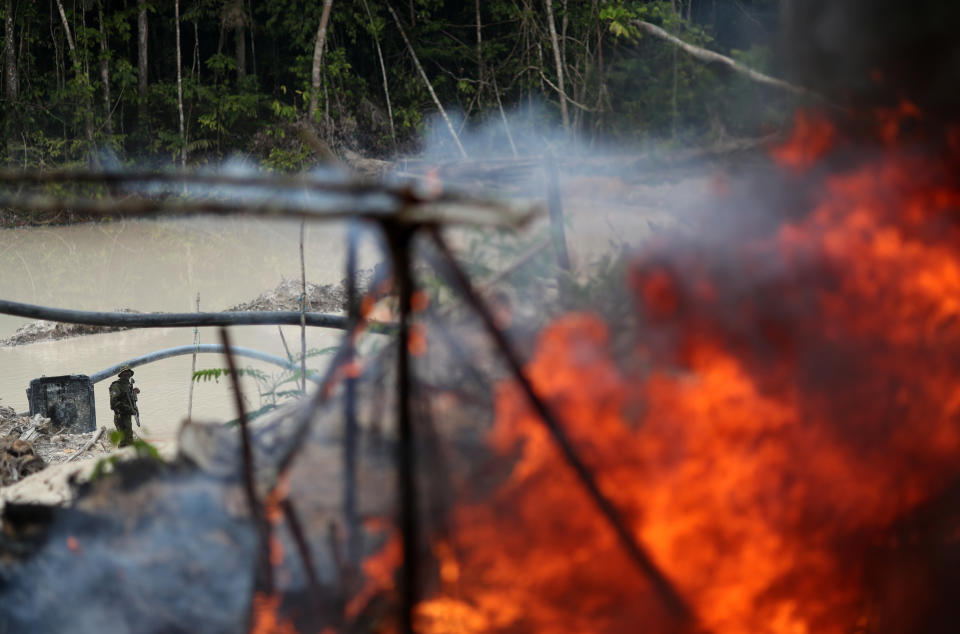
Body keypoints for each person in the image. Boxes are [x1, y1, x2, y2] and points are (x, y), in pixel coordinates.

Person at [109, 365, 139, 447]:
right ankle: (122, 457)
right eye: (125, 373)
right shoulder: (116, 386)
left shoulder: (128, 385)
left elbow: (127, 398)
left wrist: (134, 392)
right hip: (120, 416)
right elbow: (113, 403)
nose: (127, 375)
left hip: (127, 416)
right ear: (121, 375)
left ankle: (129, 457)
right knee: (125, 441)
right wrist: (129, 409)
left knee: (129, 439)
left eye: (128, 373)